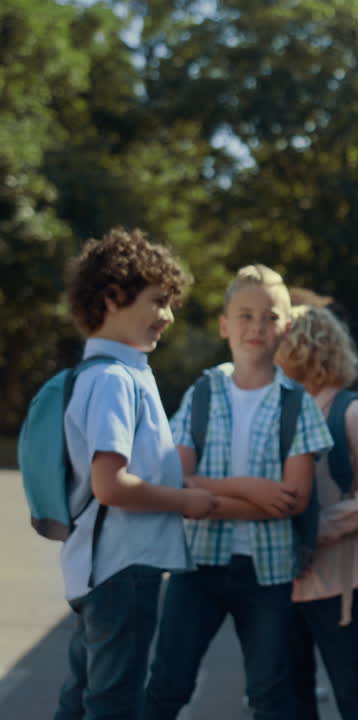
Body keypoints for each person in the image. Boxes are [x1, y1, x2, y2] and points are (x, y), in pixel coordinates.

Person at [143, 264, 334, 720]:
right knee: (167, 683)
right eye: (245, 315)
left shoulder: (297, 404)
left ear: (286, 328)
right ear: (225, 324)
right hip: (196, 566)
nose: (257, 327)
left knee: (270, 692)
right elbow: (177, 481)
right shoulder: (202, 394)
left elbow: (292, 500)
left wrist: (207, 495)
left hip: (267, 573)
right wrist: (251, 490)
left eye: (270, 317)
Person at [54, 228, 217, 720]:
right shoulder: (113, 381)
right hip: (123, 568)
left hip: (101, 566)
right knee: (113, 702)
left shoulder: (107, 373)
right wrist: (184, 502)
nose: (167, 316)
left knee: (85, 695)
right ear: (111, 298)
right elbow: (110, 485)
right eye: (158, 301)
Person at [277, 306, 358, 720]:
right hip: (288, 578)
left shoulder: (351, 413)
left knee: (351, 688)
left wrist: (317, 527)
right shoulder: (285, 408)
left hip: (334, 579)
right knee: (293, 690)